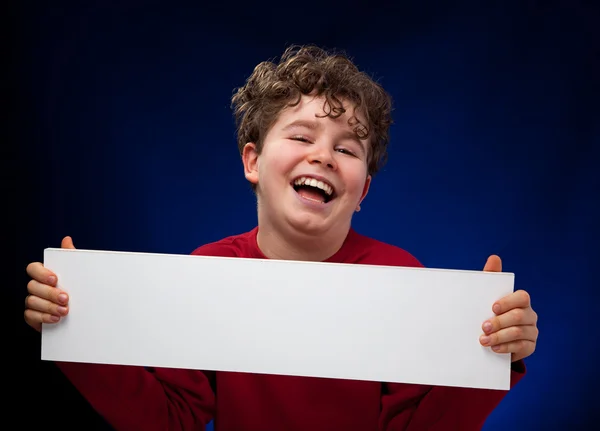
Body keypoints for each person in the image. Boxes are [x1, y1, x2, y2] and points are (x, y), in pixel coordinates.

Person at [24, 45, 539, 431]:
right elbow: (168, 418)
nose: (323, 156)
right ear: (253, 161)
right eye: (300, 136)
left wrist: (492, 356)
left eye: (348, 148)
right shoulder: (212, 272)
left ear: (362, 190)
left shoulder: (400, 278)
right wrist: (76, 333)